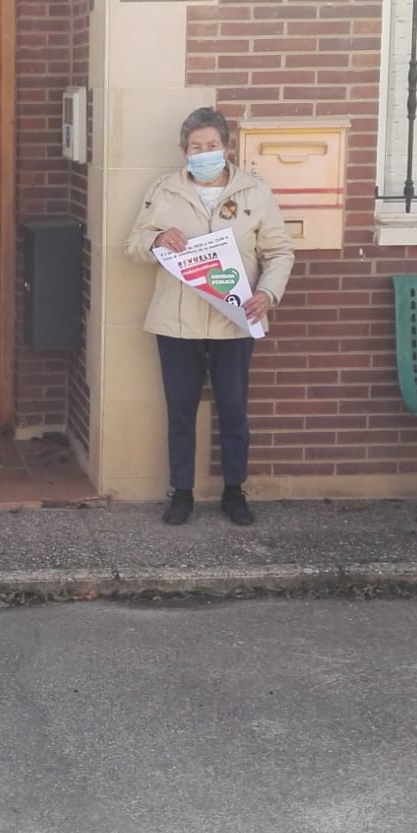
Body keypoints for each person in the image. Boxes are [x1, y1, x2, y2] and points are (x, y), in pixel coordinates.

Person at [125, 107, 294, 527]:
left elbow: (279, 251)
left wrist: (268, 293)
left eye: (212, 145)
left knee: (233, 407)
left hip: (234, 318)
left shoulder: (254, 191)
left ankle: (234, 490)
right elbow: (133, 244)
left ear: (226, 147)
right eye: (196, 147)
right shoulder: (165, 190)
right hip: (176, 321)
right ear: (184, 151)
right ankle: (180, 491)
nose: (205, 153)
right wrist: (158, 238)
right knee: (180, 409)